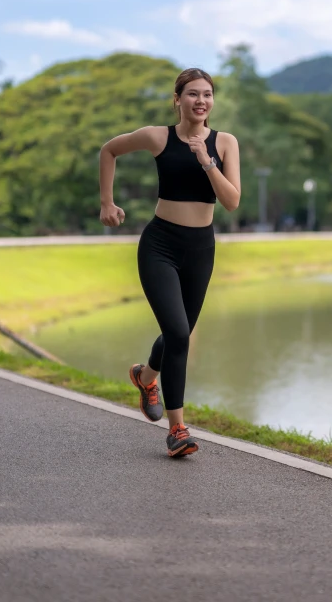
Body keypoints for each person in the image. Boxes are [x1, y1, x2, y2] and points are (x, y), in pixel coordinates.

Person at [98, 68, 241, 457]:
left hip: (201, 249)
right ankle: (178, 429)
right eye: (192, 94)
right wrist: (107, 202)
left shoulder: (225, 143)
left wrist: (207, 161)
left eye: (207, 95)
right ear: (176, 99)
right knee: (178, 334)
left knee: (179, 333)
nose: (201, 101)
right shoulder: (157, 136)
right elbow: (109, 150)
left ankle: (146, 377)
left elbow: (231, 202)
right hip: (160, 245)